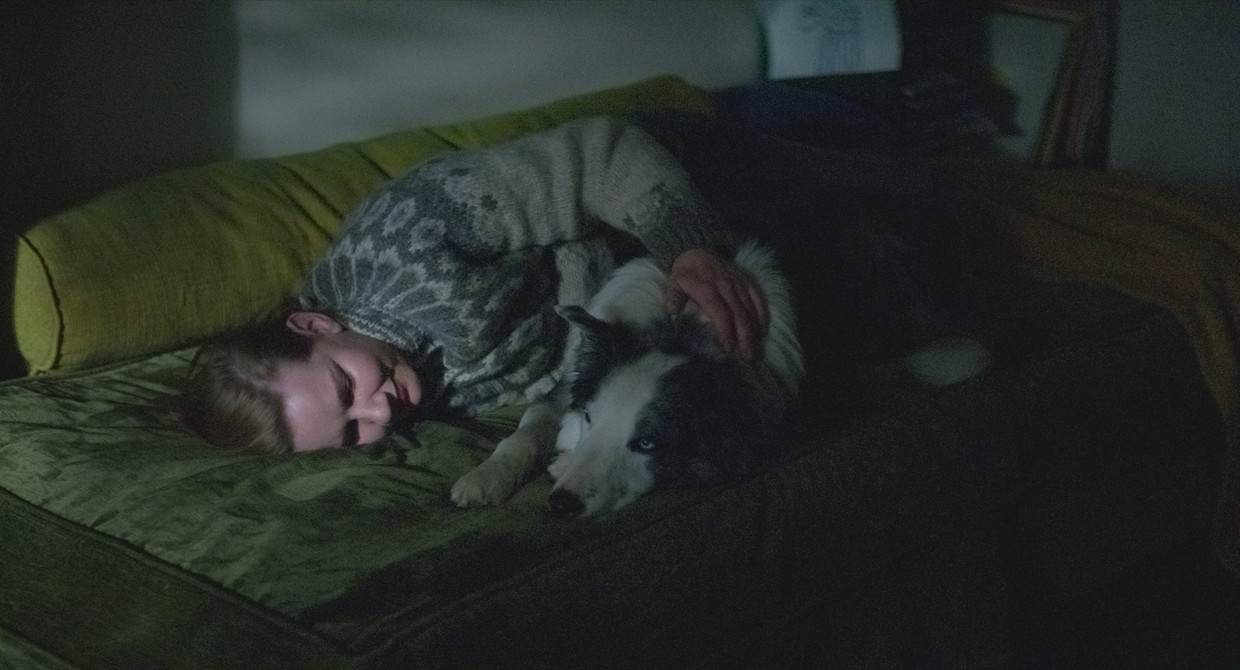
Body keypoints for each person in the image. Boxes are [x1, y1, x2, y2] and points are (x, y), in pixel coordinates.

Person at [181, 115, 768, 456]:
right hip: (637, 304)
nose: (380, 412)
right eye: (353, 432)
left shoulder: (414, 231)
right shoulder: (397, 385)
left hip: (686, 178)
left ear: (314, 324)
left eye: (345, 387)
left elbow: (601, 154)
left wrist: (689, 247)